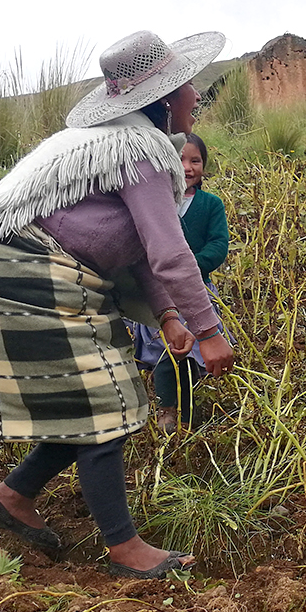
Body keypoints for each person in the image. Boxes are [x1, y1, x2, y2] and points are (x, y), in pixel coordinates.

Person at [0, 30, 237, 579]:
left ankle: (12, 496)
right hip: (24, 270)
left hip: (5, 264)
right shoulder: (143, 151)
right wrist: (208, 331)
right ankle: (124, 549)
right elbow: (170, 252)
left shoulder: (116, 142)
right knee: (106, 398)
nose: (196, 93)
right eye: (187, 84)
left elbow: (139, 250)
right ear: (165, 97)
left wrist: (169, 317)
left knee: (89, 398)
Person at [131, 131, 230, 431]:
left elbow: (218, 245)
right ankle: (166, 412)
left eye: (195, 161)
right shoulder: (155, 202)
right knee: (167, 350)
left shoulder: (211, 205)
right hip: (159, 294)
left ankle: (186, 418)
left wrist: (187, 269)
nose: (187, 167)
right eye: (180, 159)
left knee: (189, 355)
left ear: (204, 166)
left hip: (197, 291)